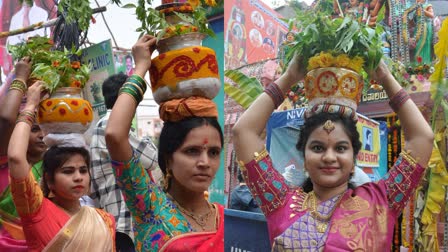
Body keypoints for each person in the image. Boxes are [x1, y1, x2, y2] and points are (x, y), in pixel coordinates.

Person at [232, 55, 434, 250]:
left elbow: (423, 138)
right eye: (318, 147)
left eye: (340, 148)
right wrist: (289, 77)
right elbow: (244, 132)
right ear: (304, 155)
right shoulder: (280, 201)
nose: (329, 157)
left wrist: (386, 78)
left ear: (354, 157)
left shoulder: (381, 201)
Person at [105, 35, 224, 251]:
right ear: (168, 157)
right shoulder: (150, 206)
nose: (205, 162)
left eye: (214, 152)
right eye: (192, 151)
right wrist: (141, 67)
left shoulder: (224, 217)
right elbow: (114, 134)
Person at [7, 81, 116, 251]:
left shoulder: (105, 220)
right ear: (49, 180)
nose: (78, 177)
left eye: (83, 170)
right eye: (68, 171)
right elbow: (15, 157)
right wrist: (30, 105)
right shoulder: (36, 209)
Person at [90, 72, 159, 251]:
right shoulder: (111, 125)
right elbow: (152, 159)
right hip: (123, 220)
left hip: (115, 219)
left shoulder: (103, 125)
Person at [0, 57, 46, 251]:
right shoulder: (5, 162)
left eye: (45, 129)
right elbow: (6, 120)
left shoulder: (55, 165)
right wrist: (20, 76)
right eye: (34, 129)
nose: (42, 135)